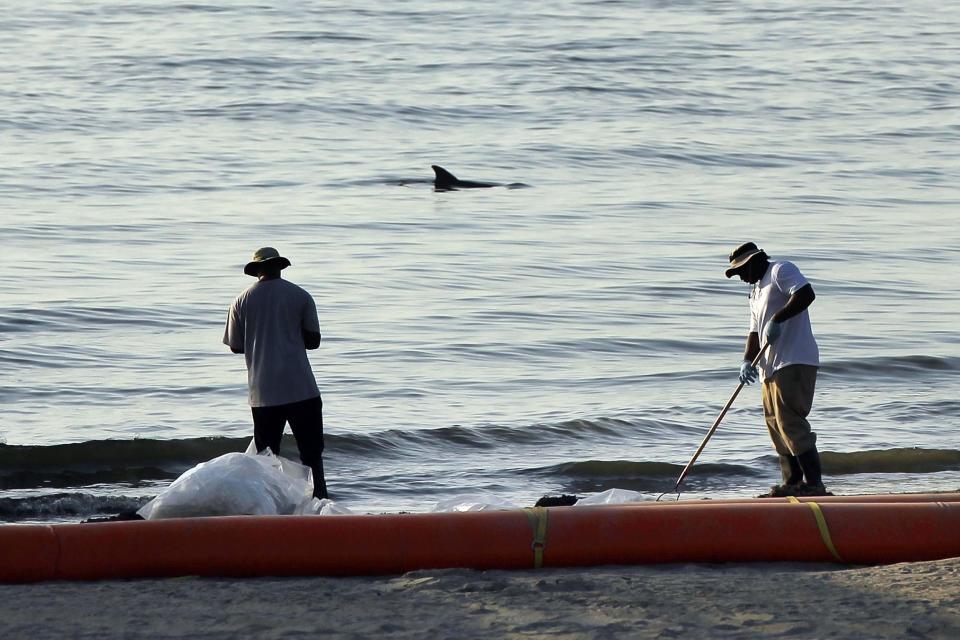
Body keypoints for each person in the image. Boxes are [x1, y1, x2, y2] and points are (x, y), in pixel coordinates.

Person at [223, 247, 329, 499]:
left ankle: (270, 504)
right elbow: (313, 341)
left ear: (256, 270)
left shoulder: (241, 301)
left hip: (263, 391)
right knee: (311, 453)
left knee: (267, 457)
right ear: (280, 267)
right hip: (301, 387)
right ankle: (321, 501)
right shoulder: (300, 296)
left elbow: (236, 346)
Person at [725, 242, 829, 497]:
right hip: (768, 366)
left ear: (755, 261)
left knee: (790, 421)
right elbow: (753, 333)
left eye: (742, 271)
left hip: (793, 359)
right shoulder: (755, 292)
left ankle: (814, 484)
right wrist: (747, 361)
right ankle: (792, 482)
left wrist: (778, 319)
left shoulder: (780, 270)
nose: (742, 278)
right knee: (774, 424)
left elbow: (806, 294)